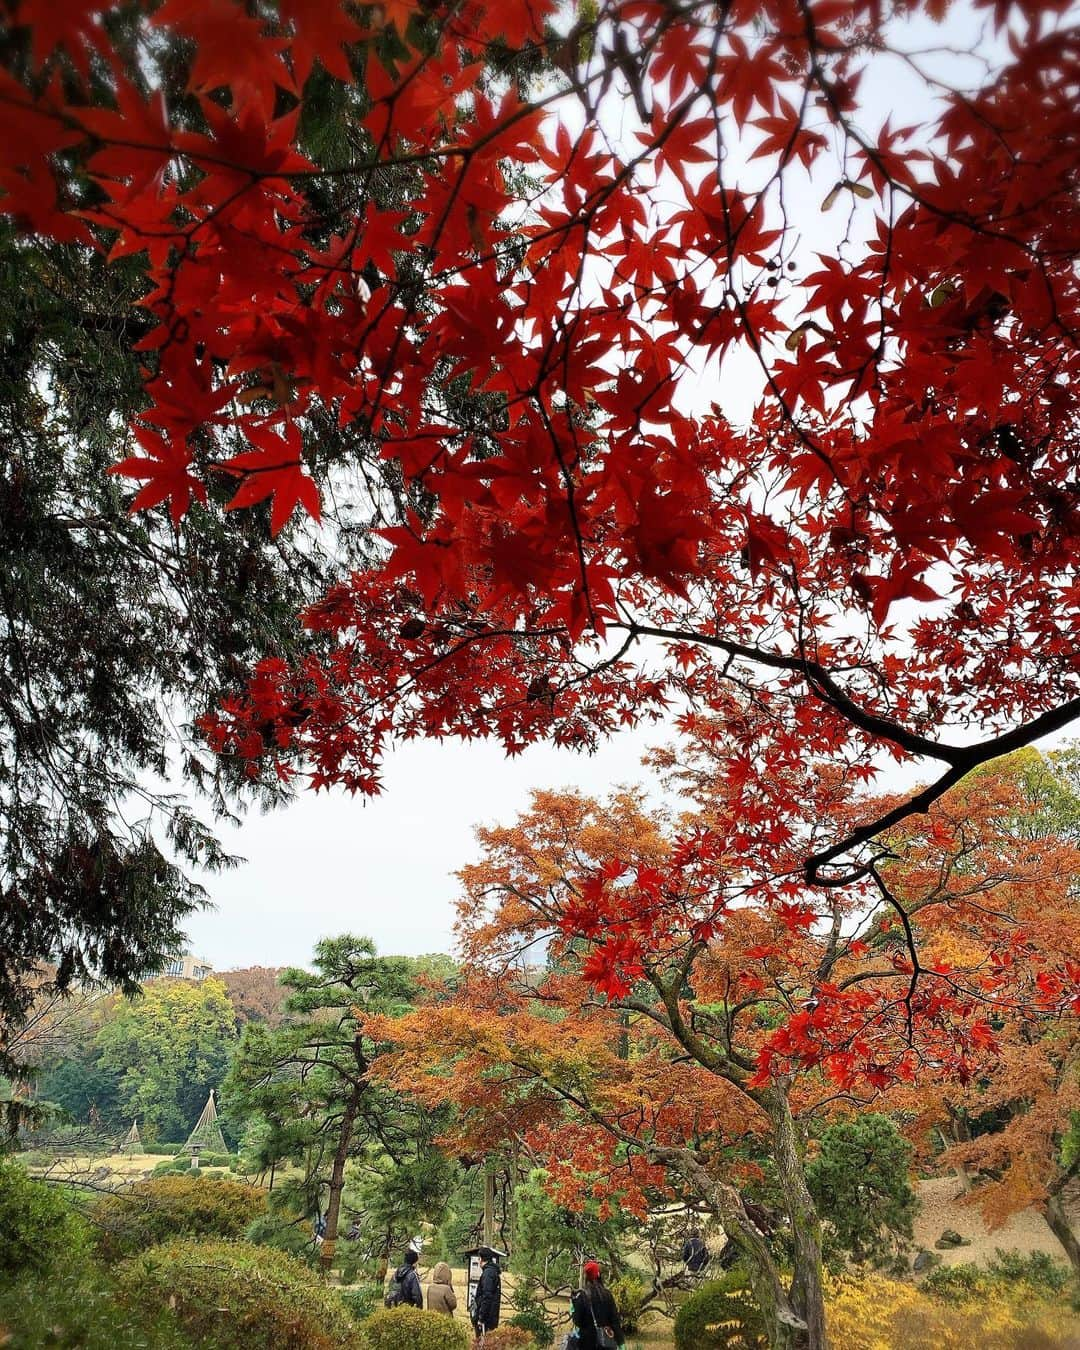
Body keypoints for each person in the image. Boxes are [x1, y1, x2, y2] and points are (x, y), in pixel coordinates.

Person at [569, 1261, 623, 1350]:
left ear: (586, 1277)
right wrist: (621, 1342)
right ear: (598, 1274)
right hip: (606, 1343)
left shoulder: (582, 1296)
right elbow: (615, 1320)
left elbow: (577, 1321)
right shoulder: (607, 1295)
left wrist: (572, 1309)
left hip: (587, 1343)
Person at [472, 1246, 502, 1337]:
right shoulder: (492, 1271)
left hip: (487, 1318)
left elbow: (487, 1296)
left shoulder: (488, 1274)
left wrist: (481, 1317)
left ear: (481, 1259)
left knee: (483, 1343)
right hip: (491, 1315)